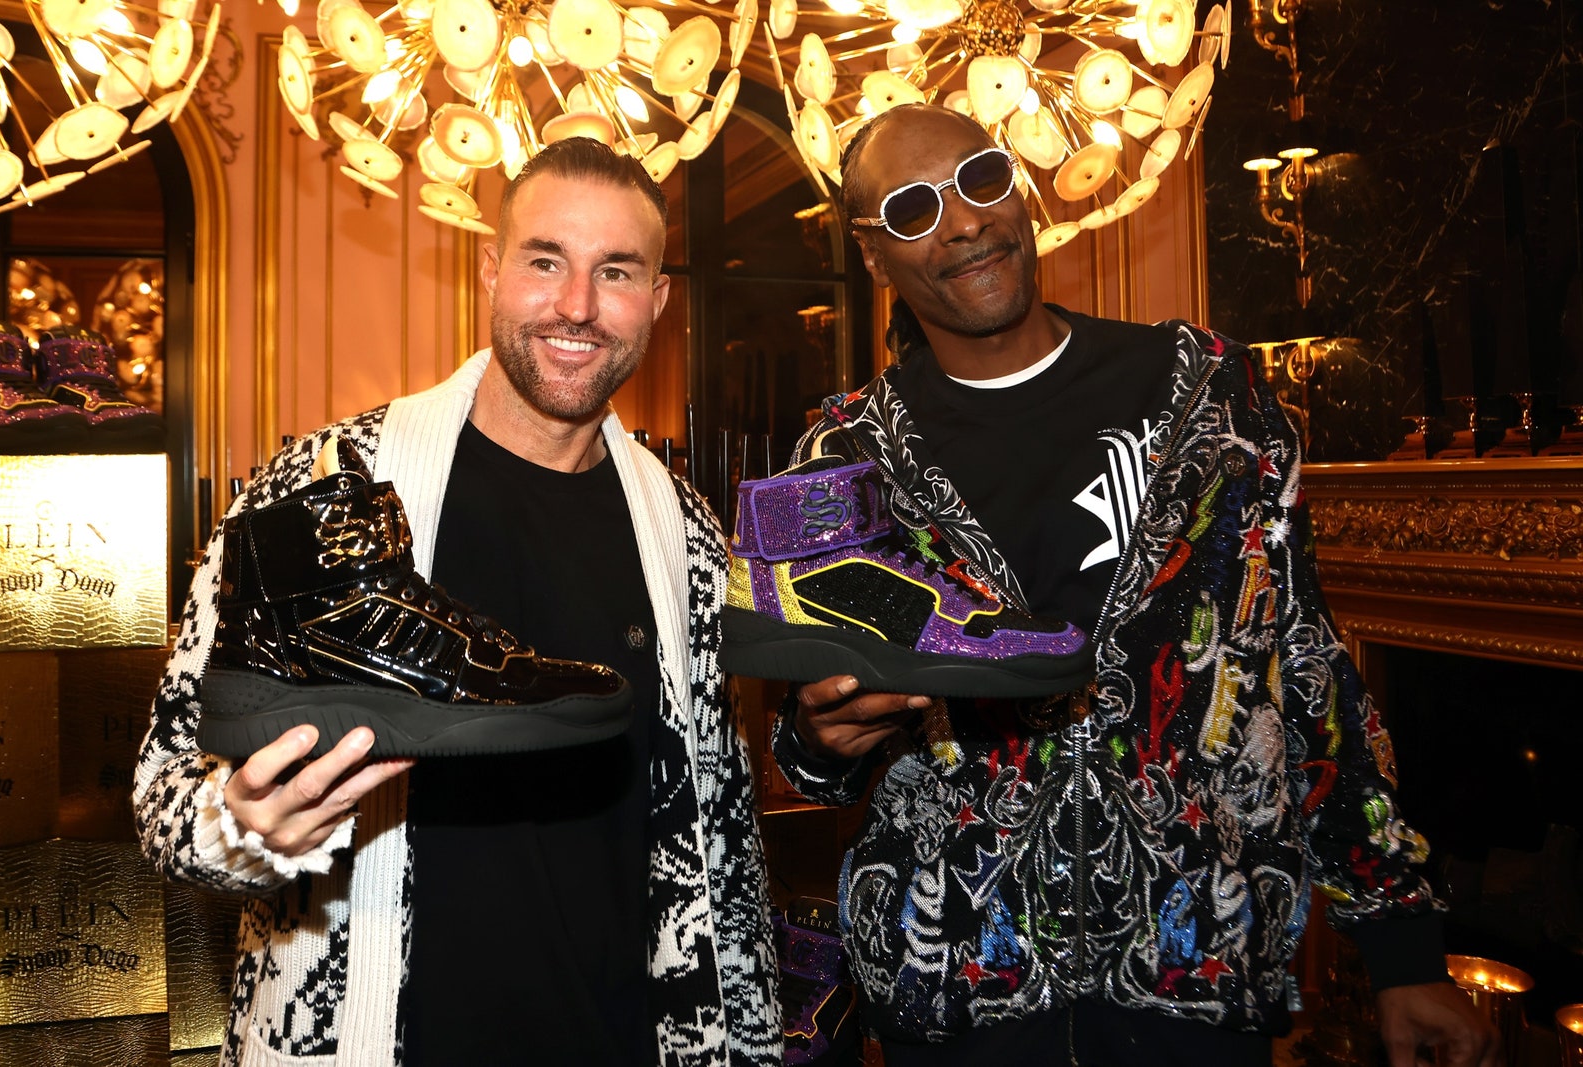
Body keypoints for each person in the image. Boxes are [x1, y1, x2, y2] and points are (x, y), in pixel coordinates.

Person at [764, 103, 1498, 1067]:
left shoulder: (1207, 394)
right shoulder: (845, 456)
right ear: (872, 255)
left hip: (1196, 967)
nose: (965, 222)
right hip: (954, 987)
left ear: (1020, 191)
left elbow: (1304, 661)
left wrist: (1401, 945)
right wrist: (817, 737)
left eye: (981, 179)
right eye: (912, 209)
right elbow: (813, 747)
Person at [134, 137, 781, 1066]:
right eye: (545, 261)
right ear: (490, 270)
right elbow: (165, 790)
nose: (576, 305)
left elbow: (721, 835)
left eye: (616, 271)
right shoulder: (324, 486)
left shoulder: (684, 529)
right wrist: (243, 828)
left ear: (659, 299)